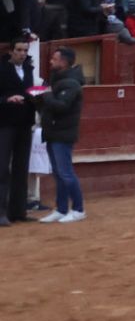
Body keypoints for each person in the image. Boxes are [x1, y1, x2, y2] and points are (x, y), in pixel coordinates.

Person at [38, 46, 85, 223]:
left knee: (65, 173)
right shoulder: (58, 80)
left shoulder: (71, 83)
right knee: (59, 173)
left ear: (64, 62)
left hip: (63, 133)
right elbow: (50, 105)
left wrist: (47, 95)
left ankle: (79, 209)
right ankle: (62, 208)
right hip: (54, 131)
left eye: (54, 59)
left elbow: (61, 106)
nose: (51, 61)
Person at [1, 37, 37, 226]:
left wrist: (38, 94)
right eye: (19, 50)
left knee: (21, 168)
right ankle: (1, 212)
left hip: (24, 123)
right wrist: (7, 99)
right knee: (2, 168)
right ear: (11, 51)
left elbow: (29, 91)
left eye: (25, 50)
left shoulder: (29, 69)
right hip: (4, 124)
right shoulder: (2, 69)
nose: (23, 54)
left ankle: (18, 211)